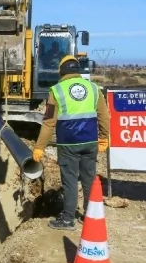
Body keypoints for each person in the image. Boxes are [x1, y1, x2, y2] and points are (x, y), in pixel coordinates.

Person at [32, 55, 110, 230]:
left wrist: (39, 147)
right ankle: (90, 217)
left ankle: (68, 219)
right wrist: (104, 137)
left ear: (61, 71)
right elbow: (104, 116)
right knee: (89, 179)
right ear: (77, 70)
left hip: (68, 144)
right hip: (90, 142)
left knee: (70, 181)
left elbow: (48, 122)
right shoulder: (93, 88)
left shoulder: (57, 91)